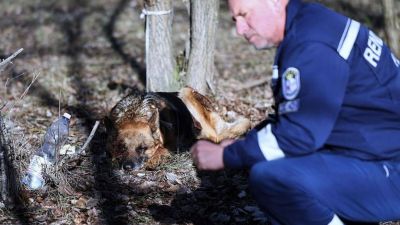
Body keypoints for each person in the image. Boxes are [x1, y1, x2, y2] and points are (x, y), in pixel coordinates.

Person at [190, 0, 400, 224]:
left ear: (274, 3)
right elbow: (303, 117)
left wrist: (226, 155)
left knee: (273, 178)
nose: (240, 30)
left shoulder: (311, 43)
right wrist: (246, 144)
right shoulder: (313, 23)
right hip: (375, 153)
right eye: (235, 20)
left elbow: (300, 134)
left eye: (244, 15)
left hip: (389, 168)